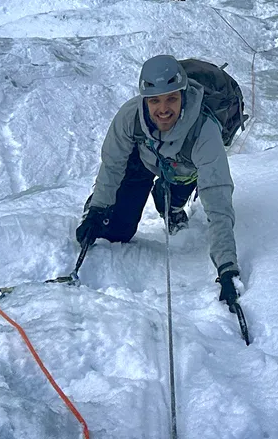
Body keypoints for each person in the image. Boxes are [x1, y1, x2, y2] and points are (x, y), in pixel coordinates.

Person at [76, 55, 241, 309]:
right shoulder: (130, 117)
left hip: (182, 169)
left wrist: (227, 266)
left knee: (172, 196)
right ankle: (135, 202)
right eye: (154, 100)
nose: (163, 109)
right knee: (117, 231)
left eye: (171, 98)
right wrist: (98, 209)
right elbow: (112, 165)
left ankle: (171, 202)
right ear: (144, 99)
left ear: (183, 95)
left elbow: (217, 199)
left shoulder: (205, 131)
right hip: (143, 162)